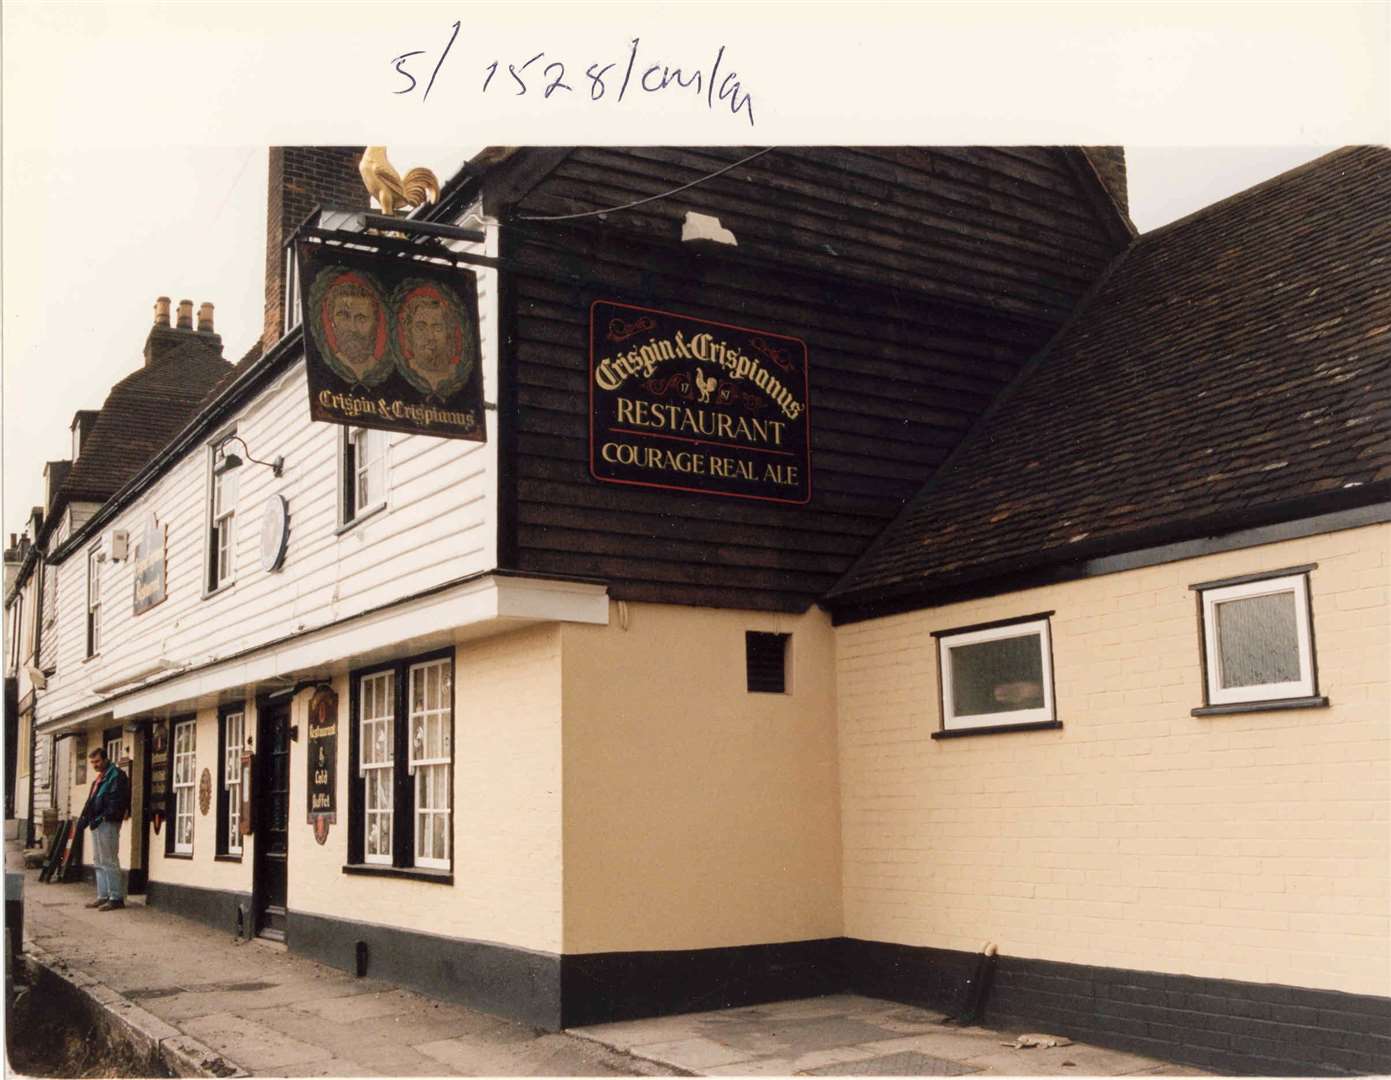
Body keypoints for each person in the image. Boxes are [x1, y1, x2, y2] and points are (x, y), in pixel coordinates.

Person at [77, 746, 131, 911]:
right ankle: (103, 895)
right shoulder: (100, 778)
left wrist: (103, 817)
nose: (95, 765)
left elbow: (116, 801)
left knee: (109, 859)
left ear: (106, 759)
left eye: (98, 761)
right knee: (99, 860)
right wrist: (84, 819)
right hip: (97, 822)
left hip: (107, 822)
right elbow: (91, 801)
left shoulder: (116, 776)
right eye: (92, 762)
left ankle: (116, 897)